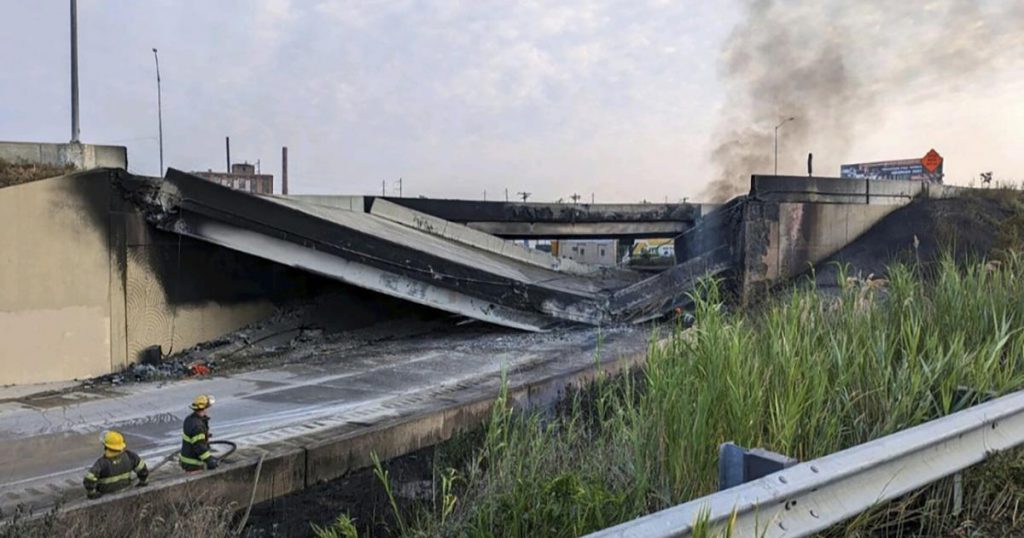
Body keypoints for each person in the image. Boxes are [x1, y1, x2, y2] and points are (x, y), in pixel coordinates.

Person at [83, 430, 149, 499]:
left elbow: (89, 479)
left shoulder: (101, 463)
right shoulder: (129, 456)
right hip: (127, 489)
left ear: (106, 446)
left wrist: (92, 493)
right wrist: (144, 481)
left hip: (106, 494)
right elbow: (142, 469)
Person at [180, 394, 219, 472]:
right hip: (193, 463)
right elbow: (199, 447)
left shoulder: (189, 419)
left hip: (186, 458)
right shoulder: (198, 427)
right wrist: (209, 460)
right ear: (204, 408)